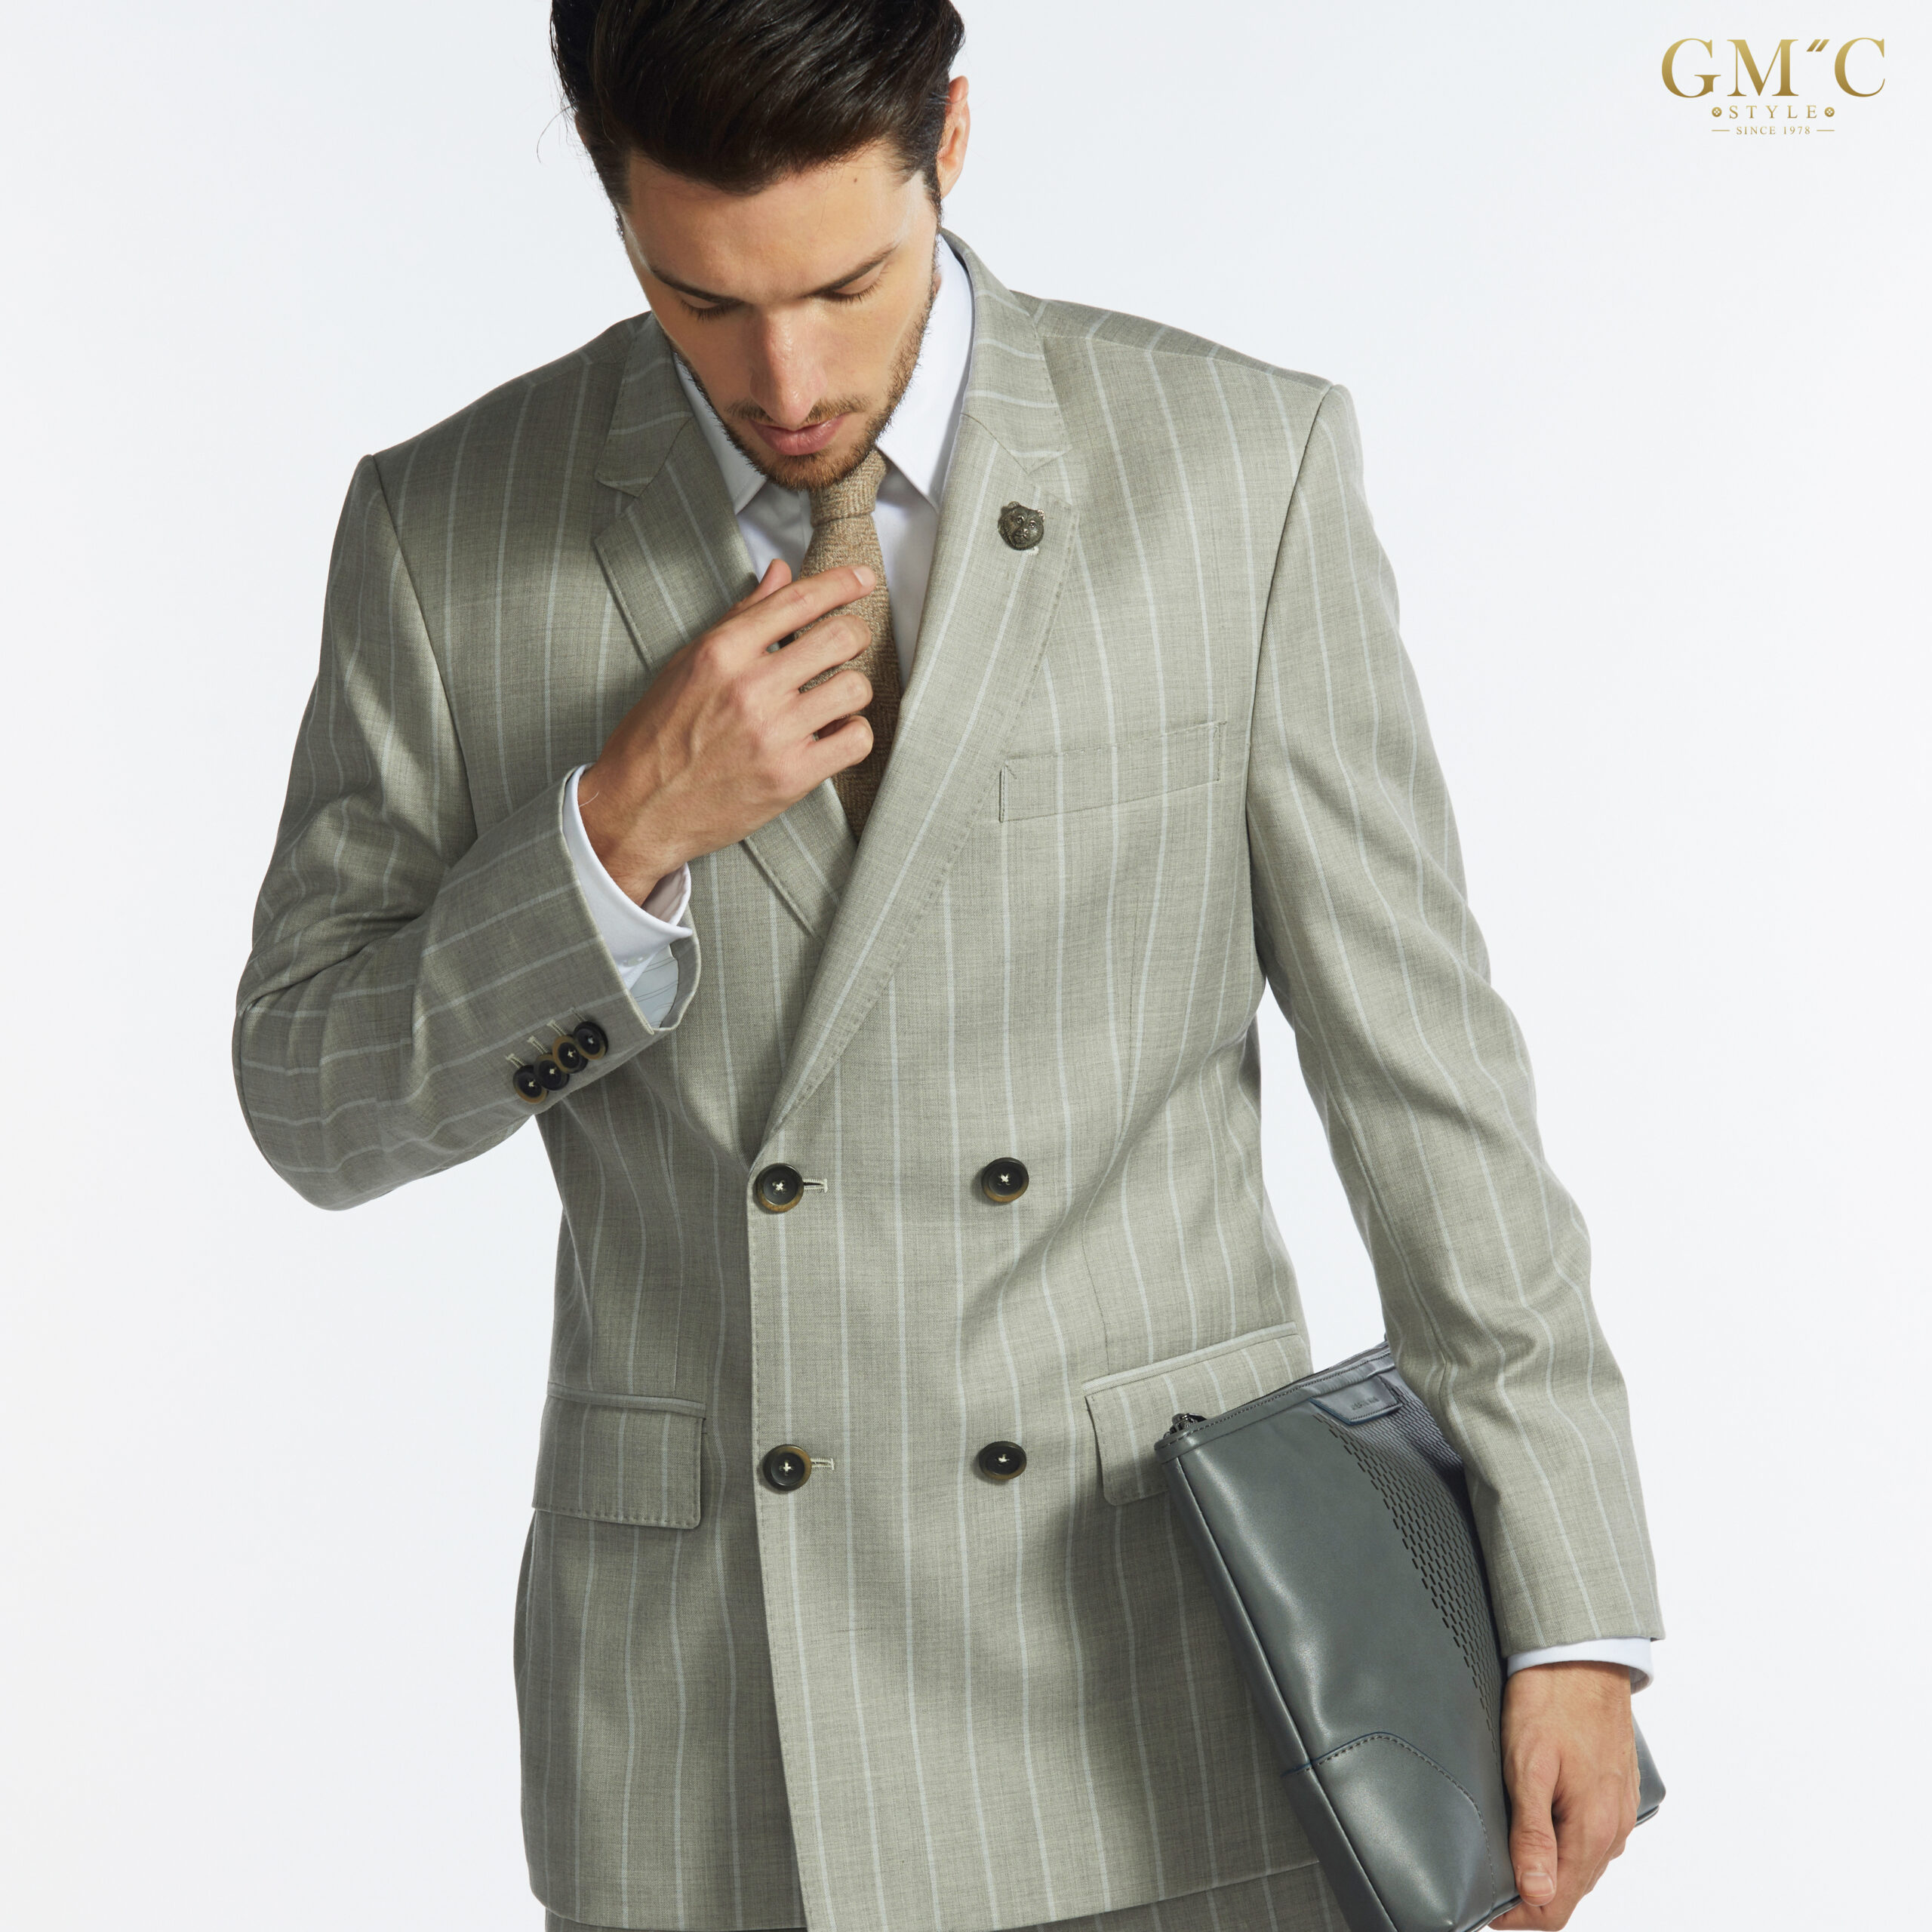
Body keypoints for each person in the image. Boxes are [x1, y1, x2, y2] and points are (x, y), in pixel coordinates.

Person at [234, 4, 1663, 1928]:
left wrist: (1567, 1601)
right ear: (609, 197)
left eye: (846, 283)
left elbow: (1427, 1079)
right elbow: (314, 1101)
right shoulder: (446, 527)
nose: (787, 377)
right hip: (713, 1712)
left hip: (1164, 1676)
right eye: (701, 298)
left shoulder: (1234, 472)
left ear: (951, 144)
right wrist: (614, 836)